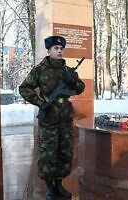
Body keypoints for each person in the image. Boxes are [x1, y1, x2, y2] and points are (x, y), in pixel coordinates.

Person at [19, 35, 85, 200]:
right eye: (56, 48)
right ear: (48, 51)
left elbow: (80, 88)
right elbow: (24, 88)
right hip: (49, 117)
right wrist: (41, 103)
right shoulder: (39, 70)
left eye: (61, 48)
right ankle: (49, 188)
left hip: (65, 118)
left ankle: (59, 185)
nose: (59, 51)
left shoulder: (67, 70)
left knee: (65, 152)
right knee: (48, 154)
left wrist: (73, 83)